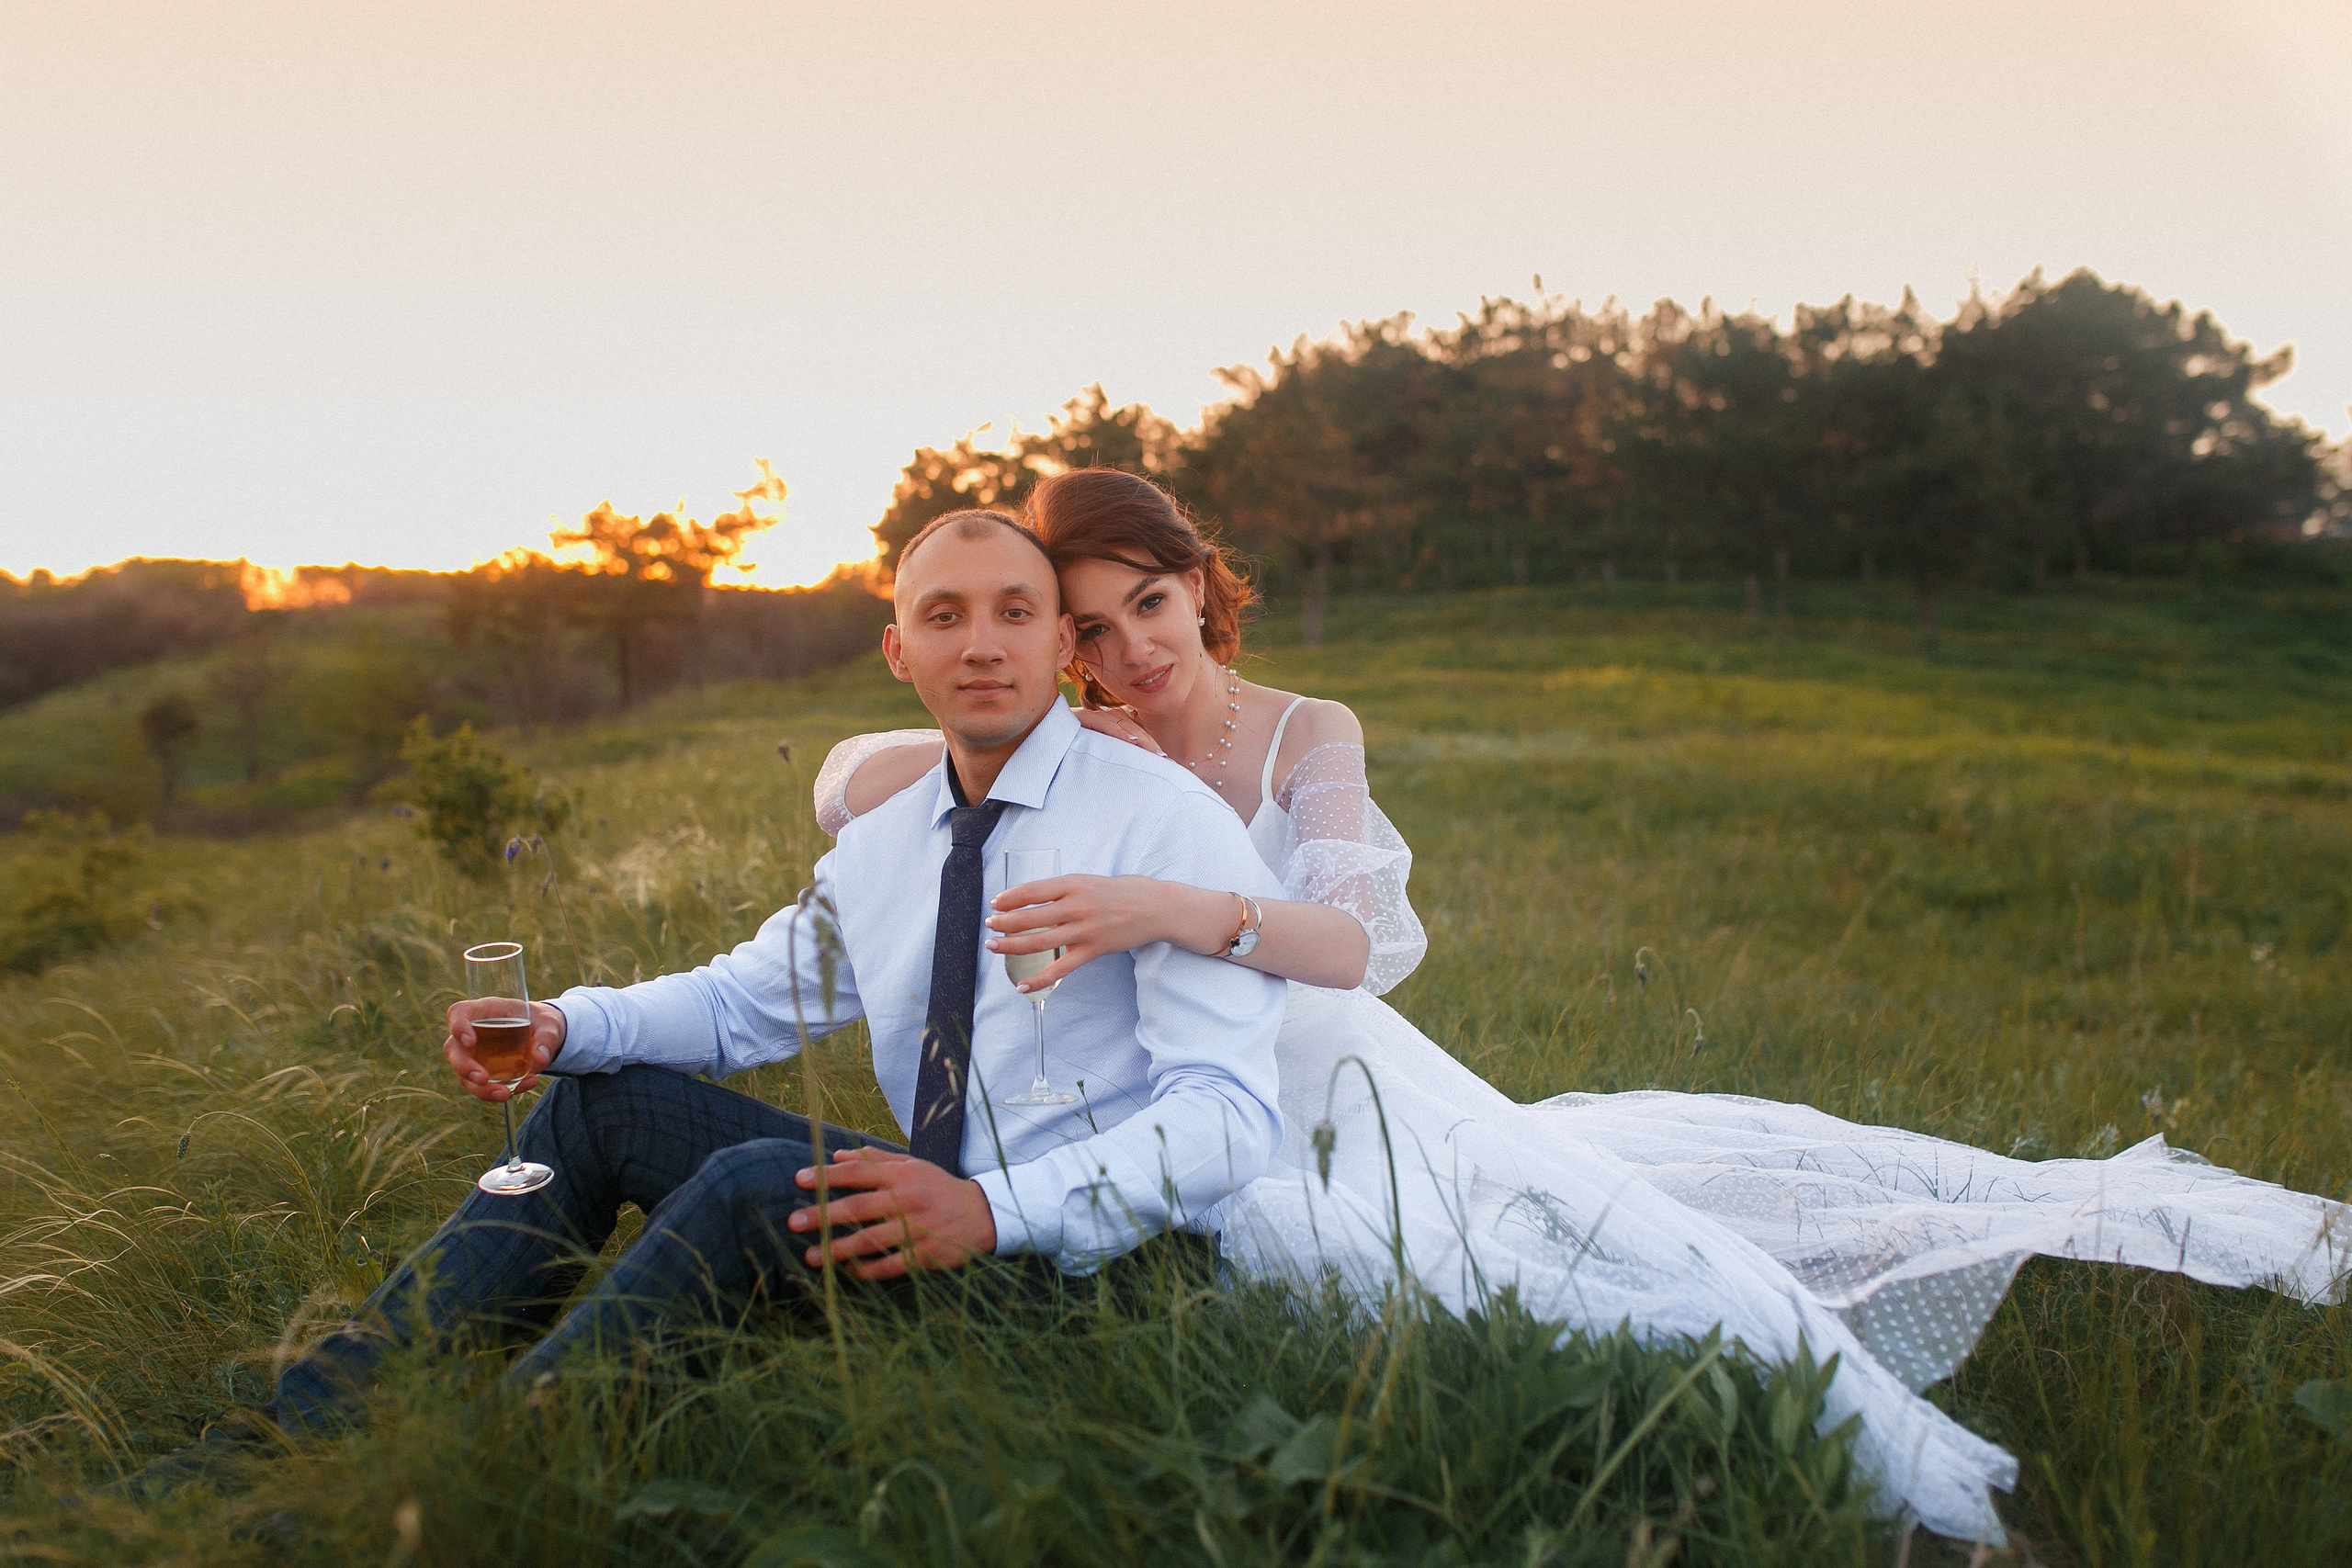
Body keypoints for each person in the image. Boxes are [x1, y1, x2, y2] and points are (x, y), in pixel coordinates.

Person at [816, 468, 2352, 1544]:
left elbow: (1346, 944)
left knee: (1618, 1261)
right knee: (1363, 1274)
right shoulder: (1078, 751)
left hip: (1341, 1070)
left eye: (1149, 603)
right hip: (1187, 1101)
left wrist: (1166, 900)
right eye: (1085, 630)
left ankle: (1913, 1483)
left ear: (1203, 590)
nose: (1130, 650)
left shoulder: (1304, 730)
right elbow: (847, 781)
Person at [129, 508, 1290, 1490]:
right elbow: (742, 1005)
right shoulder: (888, 844)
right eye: (945, 616)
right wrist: (563, 1028)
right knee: (602, 1101)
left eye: (1013, 612)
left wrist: (993, 1213)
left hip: (1107, 1280)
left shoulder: (1158, 823)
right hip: (941, 1219)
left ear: (1059, 646)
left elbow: (1232, 1119)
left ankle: (450, 1491)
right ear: (900, 653)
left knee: (746, 1187)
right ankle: (272, 1448)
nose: (981, 644)